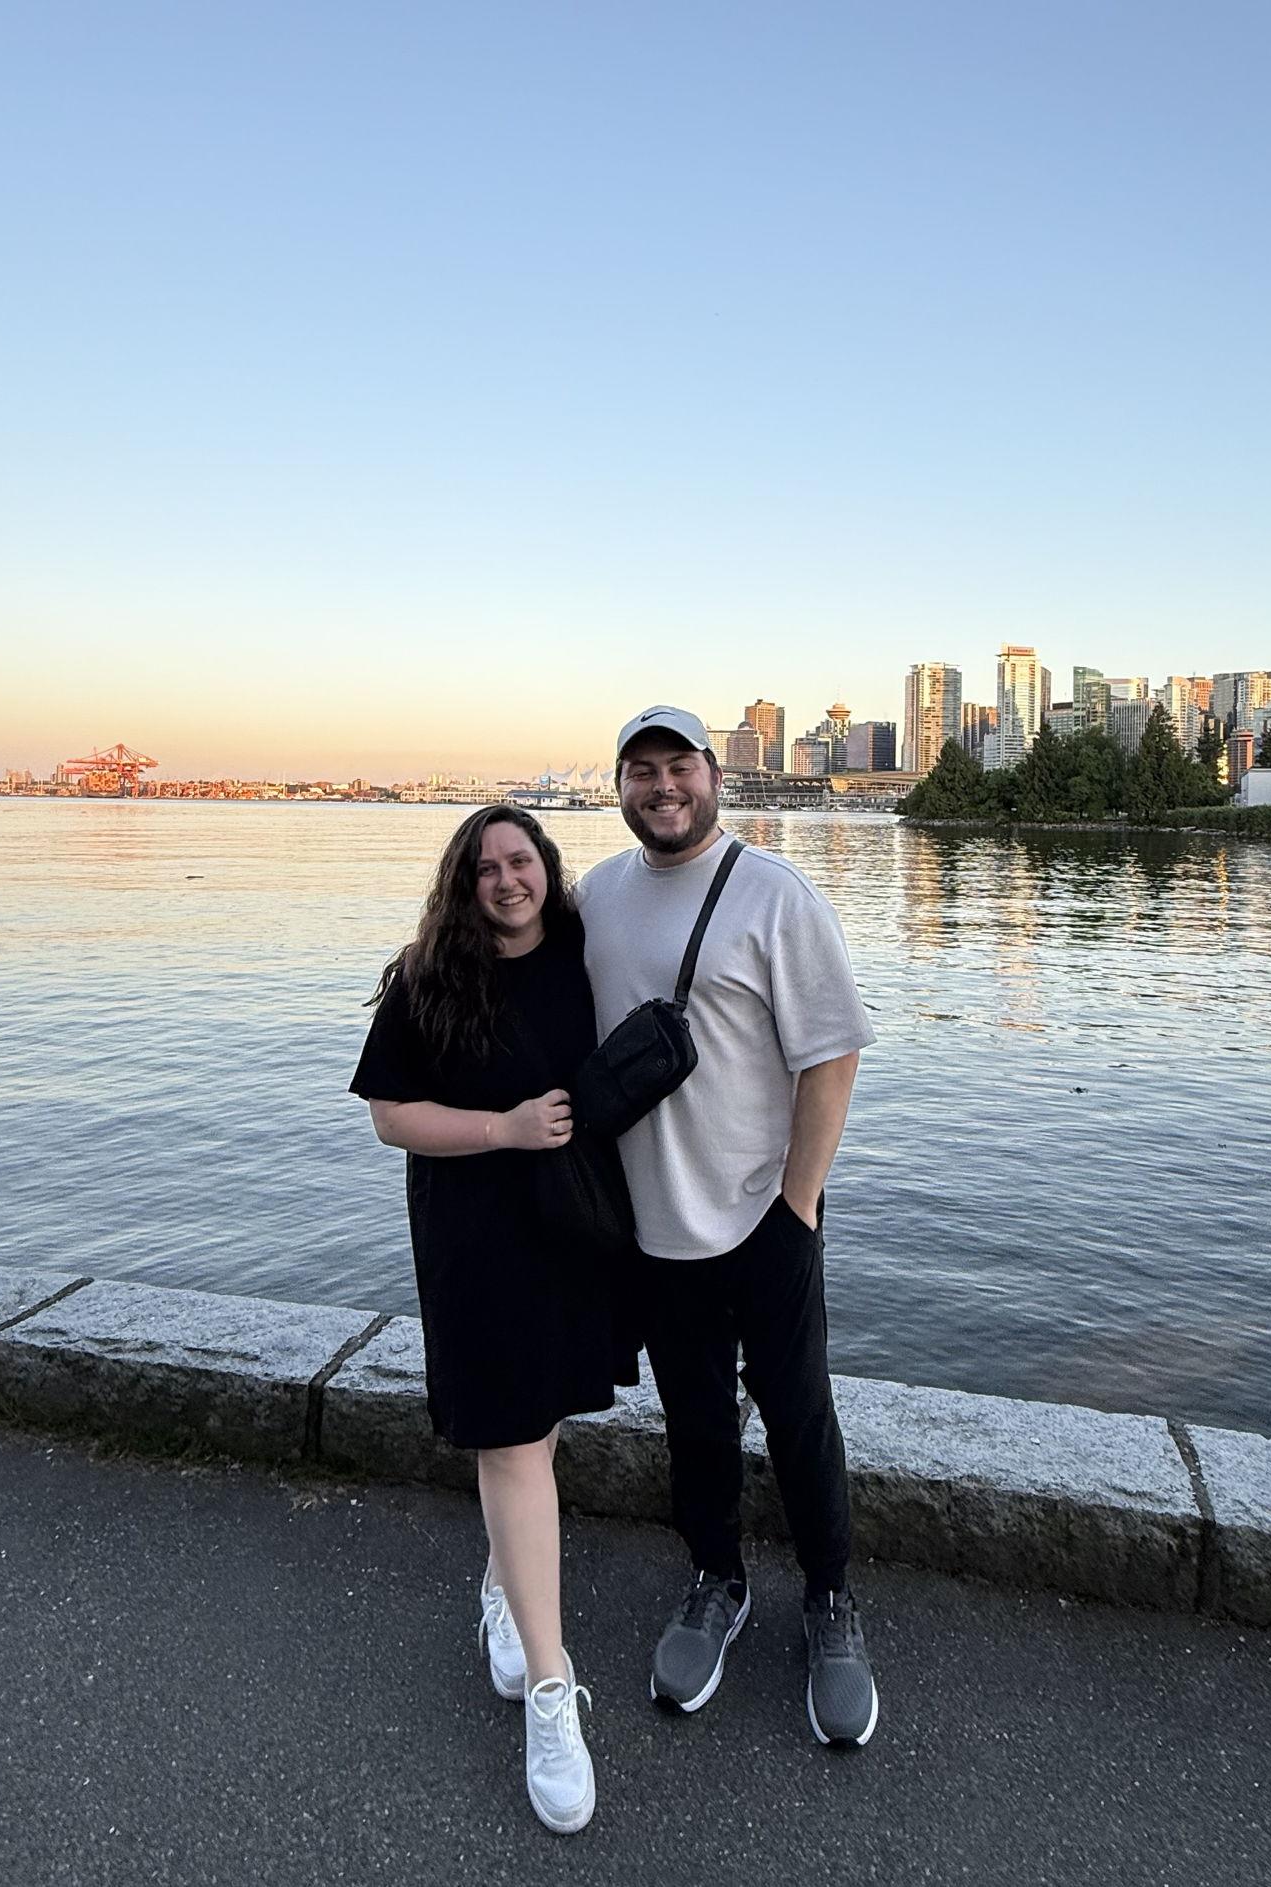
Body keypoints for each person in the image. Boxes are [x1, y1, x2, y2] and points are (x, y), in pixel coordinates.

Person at [574, 705, 880, 1747]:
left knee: (798, 1416)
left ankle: (830, 1601)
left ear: (714, 774)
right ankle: (716, 1581)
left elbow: (831, 1054)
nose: (661, 788)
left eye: (678, 767)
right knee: (694, 1422)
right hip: (653, 1227)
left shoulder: (772, 893)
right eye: (640, 772)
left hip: (762, 1213)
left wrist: (798, 1204)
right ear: (619, 787)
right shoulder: (596, 896)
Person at [349, 804, 634, 1834]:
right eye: (484, 868)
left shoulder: (579, 955)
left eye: (521, 861)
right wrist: (503, 1128)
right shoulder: (428, 978)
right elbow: (389, 1115)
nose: (506, 880)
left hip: (571, 1229)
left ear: (547, 870)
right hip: (475, 1237)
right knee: (512, 1440)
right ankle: (551, 1694)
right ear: (461, 885)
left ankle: (503, 1586)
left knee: (535, 1429)